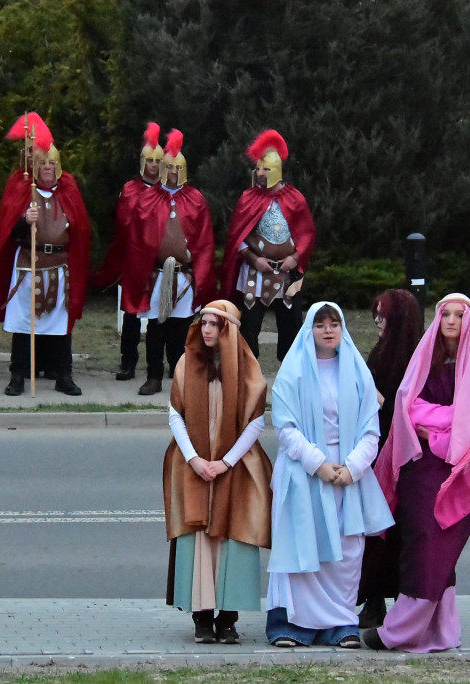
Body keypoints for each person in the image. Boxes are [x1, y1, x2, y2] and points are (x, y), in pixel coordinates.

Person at [365, 293, 470, 653]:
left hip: (458, 473)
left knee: (436, 547)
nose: (452, 321)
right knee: (418, 543)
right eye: (446, 314)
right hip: (418, 468)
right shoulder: (426, 359)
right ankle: (442, 631)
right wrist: (448, 421)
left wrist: (440, 431)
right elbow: (407, 405)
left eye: (460, 315)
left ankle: (400, 631)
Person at [266, 301, 394, 649]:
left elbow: (371, 429)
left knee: (346, 551)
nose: (327, 329)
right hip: (305, 472)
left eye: (333, 323)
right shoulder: (293, 372)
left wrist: (353, 467)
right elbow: (286, 427)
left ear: (342, 329)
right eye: (320, 323)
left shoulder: (356, 372)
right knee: (303, 545)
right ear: (310, 329)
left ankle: (341, 624)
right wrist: (317, 464)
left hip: (348, 473)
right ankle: (293, 625)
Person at [163, 300, 272, 645]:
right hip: (194, 466)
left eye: (215, 324)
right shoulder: (187, 362)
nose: (207, 329)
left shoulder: (247, 369)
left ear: (230, 330)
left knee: (232, 535)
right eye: (204, 323)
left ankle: (228, 618)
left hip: (234, 468)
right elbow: (175, 414)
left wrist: (225, 462)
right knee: (199, 537)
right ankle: (201, 617)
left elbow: (256, 422)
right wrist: (195, 459)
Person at [0, 113, 91, 397]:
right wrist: (23, 220)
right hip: (28, 264)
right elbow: (7, 229)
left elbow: (82, 228)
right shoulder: (21, 186)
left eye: (52, 163)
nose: (47, 167)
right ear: (34, 164)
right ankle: (17, 375)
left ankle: (63, 375)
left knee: (60, 324)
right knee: (23, 323)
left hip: (59, 266)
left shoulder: (68, 188)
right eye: (42, 163)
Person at [128, 128, 217, 395]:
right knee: (156, 327)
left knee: (181, 330)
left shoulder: (196, 199)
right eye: (169, 167)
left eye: (178, 168)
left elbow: (204, 239)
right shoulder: (148, 198)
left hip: (184, 276)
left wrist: (199, 272)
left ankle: (180, 376)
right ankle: (153, 376)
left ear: (184, 169)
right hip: (157, 275)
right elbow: (138, 239)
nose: (173, 172)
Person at [357, 289, 424, 627]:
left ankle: (402, 602)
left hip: (405, 455)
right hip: (376, 449)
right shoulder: (381, 351)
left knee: (399, 531)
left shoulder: (417, 357)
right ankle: (372, 600)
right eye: (376, 314)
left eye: (384, 315)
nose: (378, 321)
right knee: (375, 529)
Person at [221, 129, 316, 361]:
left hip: (287, 274)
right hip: (256, 273)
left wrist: (295, 258)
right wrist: (255, 259)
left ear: (276, 170)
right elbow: (238, 238)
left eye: (265, 169)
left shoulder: (295, 198)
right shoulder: (248, 198)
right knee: (250, 328)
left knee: (291, 328)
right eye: (258, 168)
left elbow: (307, 234)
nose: (260, 173)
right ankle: (248, 375)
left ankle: (289, 374)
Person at [94, 122, 164, 381]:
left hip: (158, 264)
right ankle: (128, 363)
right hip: (134, 261)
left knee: (159, 316)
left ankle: (157, 365)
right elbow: (124, 223)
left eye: (158, 161)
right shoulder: (131, 189)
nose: (154, 165)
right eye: (150, 160)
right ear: (142, 162)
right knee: (132, 315)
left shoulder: (168, 192)